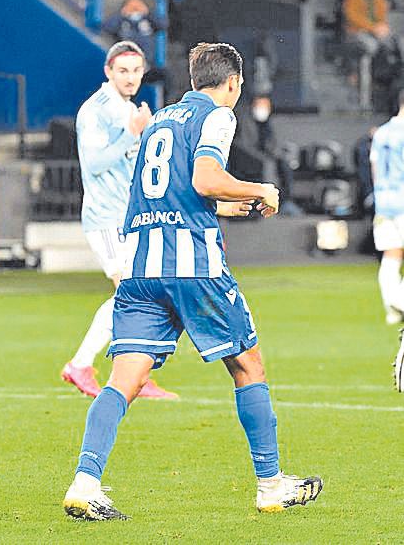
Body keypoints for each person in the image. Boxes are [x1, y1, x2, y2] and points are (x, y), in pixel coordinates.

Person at [62, 42, 322, 520]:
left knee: (122, 382)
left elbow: (169, 191)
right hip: (193, 267)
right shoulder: (219, 116)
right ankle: (270, 484)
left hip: (140, 265)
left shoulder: (159, 119)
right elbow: (205, 179)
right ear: (233, 83)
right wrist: (260, 189)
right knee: (248, 367)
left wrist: (231, 205)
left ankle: (85, 481)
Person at [60, 41, 177, 400]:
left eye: (136, 71)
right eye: (123, 71)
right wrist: (133, 133)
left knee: (143, 292)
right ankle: (83, 365)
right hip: (107, 218)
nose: (130, 78)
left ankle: (131, 374)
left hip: (130, 217)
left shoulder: (128, 108)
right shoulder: (95, 111)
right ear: (108, 71)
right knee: (133, 292)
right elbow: (94, 165)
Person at [369, 91, 404, 325]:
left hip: (384, 201)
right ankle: (400, 301)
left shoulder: (381, 133)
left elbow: (374, 169)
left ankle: (393, 308)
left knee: (391, 254)